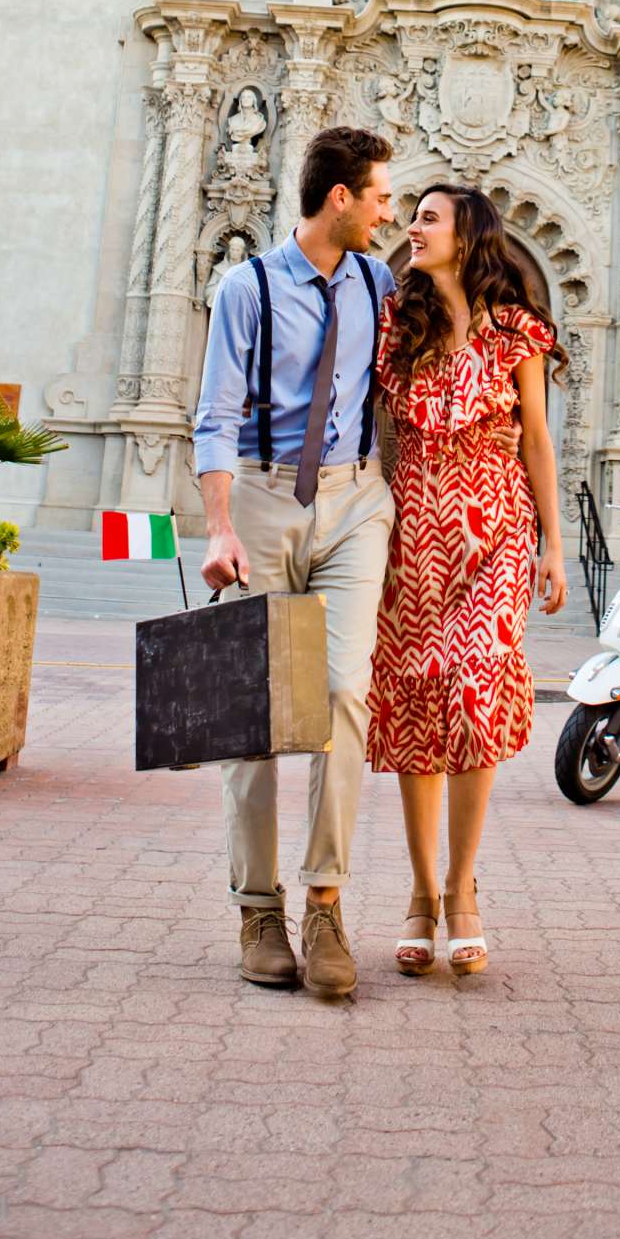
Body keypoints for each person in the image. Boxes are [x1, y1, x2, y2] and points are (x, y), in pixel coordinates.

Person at [194, 126, 394, 1001]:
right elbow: (214, 414)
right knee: (255, 713)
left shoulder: (381, 284)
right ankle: (256, 908)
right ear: (339, 197)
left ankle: (325, 901)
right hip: (265, 499)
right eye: (381, 196)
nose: (389, 211)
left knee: (345, 692)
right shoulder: (248, 287)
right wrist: (218, 526)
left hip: (356, 503)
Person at [367, 185, 568, 979]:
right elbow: (370, 429)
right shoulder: (396, 327)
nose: (412, 229)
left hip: (495, 526)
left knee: (476, 692)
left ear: (468, 235)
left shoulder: (517, 333)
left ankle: (462, 889)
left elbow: (540, 443)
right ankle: (420, 893)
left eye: (428, 219)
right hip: (412, 529)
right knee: (419, 700)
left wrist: (554, 545)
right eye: (411, 216)